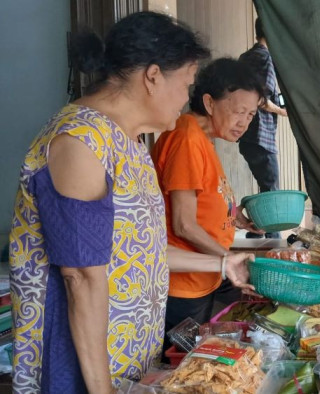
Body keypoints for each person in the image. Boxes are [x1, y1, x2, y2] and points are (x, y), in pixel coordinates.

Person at [9, 12, 255, 393]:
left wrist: (223, 263)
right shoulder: (80, 141)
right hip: (79, 364)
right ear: (153, 76)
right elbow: (80, 278)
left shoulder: (131, 143)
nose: (187, 98)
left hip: (127, 355)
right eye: (186, 83)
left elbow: (140, 249)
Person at [151, 58, 266, 343]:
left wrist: (233, 215)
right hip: (183, 284)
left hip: (203, 277)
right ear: (210, 102)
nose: (244, 122)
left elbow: (202, 199)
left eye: (251, 114)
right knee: (180, 370)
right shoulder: (186, 138)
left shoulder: (203, 138)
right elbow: (183, 224)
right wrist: (227, 260)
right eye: (239, 111)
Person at [238, 18, 287, 195]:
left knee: (266, 190)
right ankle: (264, 224)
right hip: (262, 136)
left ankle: (260, 222)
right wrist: (282, 111)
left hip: (246, 134)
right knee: (272, 192)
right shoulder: (265, 58)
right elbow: (259, 99)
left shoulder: (245, 57)